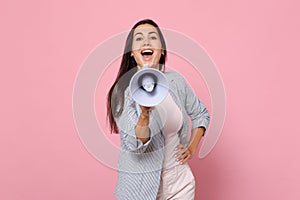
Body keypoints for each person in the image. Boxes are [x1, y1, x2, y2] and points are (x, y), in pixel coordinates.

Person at [106, 19, 210, 200]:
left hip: (180, 183)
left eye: (152, 37)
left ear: (161, 50)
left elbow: (201, 113)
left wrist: (192, 147)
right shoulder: (121, 92)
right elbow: (135, 145)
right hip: (140, 189)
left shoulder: (176, 81)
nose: (146, 41)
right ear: (132, 53)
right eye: (139, 38)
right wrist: (145, 113)